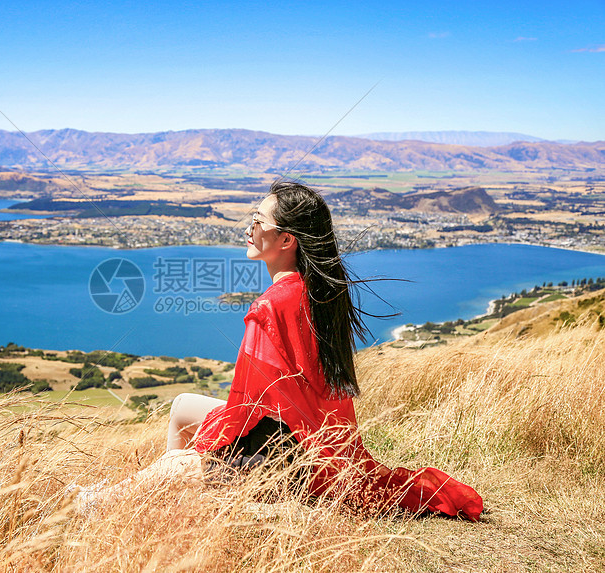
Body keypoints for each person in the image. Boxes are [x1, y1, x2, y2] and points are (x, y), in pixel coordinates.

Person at [74, 180, 483, 521]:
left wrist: (208, 453)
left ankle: (98, 504)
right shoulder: (318, 291)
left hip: (285, 454)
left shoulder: (271, 306)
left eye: (256, 221)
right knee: (182, 404)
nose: (247, 228)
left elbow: (246, 406)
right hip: (307, 440)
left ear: (286, 239)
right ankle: (182, 507)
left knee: (174, 464)